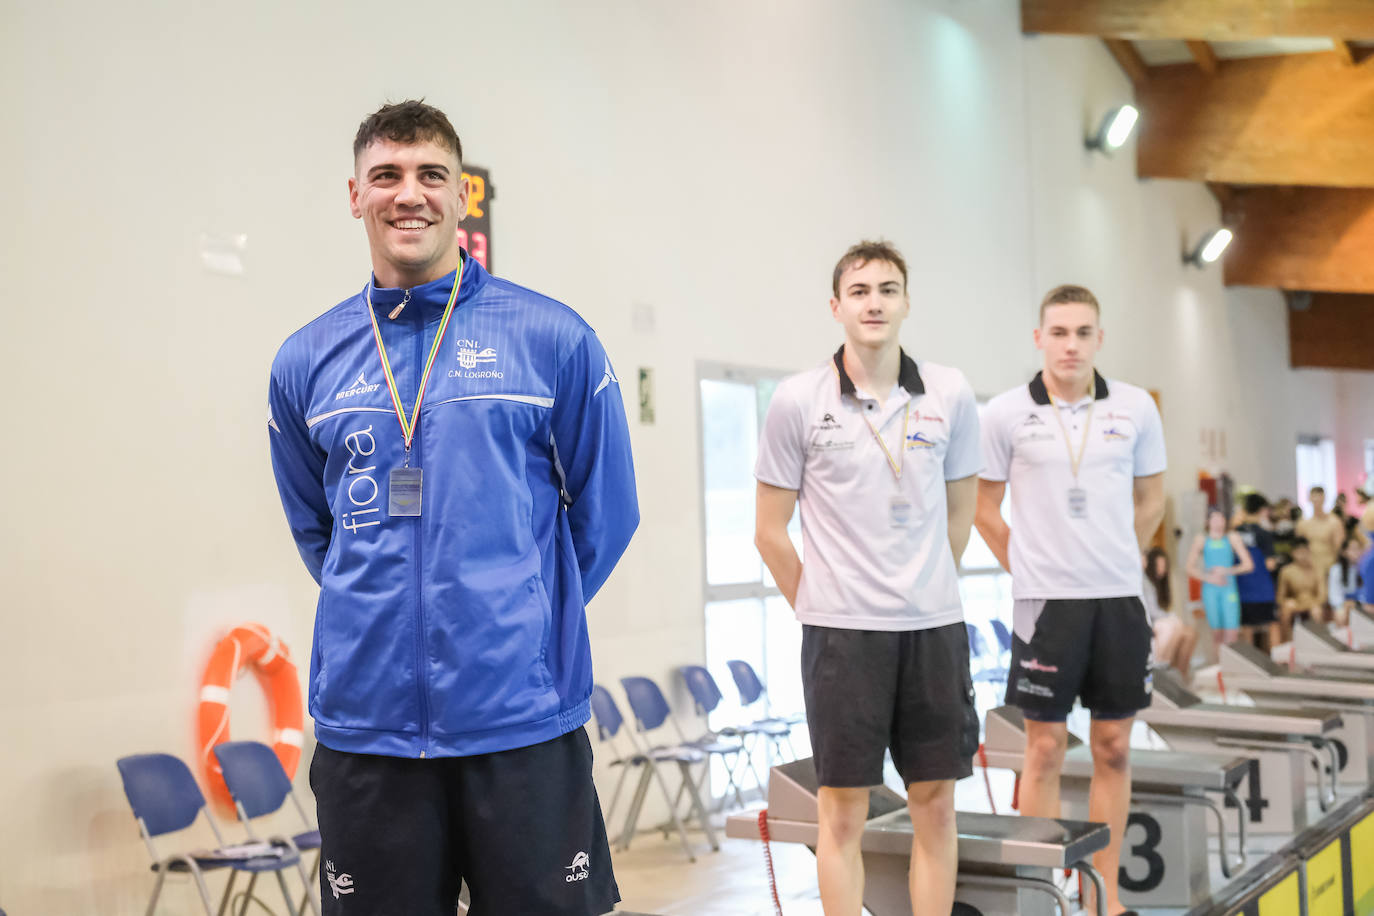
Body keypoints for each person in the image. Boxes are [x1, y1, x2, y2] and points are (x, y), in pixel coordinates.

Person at [267, 100, 638, 915]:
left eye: (432, 174)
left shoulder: (552, 339)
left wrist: (521, 617)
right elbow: (315, 528)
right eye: (387, 175)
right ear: (355, 195)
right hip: (368, 731)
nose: (411, 194)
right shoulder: (306, 361)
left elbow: (606, 516)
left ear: (463, 195)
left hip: (521, 726)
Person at [755, 240, 982, 916]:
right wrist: (823, 606)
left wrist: (921, 589)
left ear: (907, 302)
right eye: (859, 291)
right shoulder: (797, 399)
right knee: (843, 816)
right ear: (836, 307)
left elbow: (961, 518)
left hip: (933, 631)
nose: (874, 302)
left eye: (887, 289)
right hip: (842, 639)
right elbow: (769, 532)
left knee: (935, 809)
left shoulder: (950, 392)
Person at [975, 284, 1166, 916]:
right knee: (1046, 748)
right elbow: (982, 506)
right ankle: (1045, 894)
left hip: (1118, 601)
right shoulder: (1004, 413)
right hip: (1045, 605)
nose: (1071, 344)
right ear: (1039, 339)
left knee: (1113, 746)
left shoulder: (1135, 407)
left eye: (1083, 332)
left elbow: (1151, 501)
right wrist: (1027, 566)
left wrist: (1117, 559)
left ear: (1099, 339)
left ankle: (1102, 899)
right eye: (1059, 332)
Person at [1185, 507, 1254, 661]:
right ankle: (1220, 668)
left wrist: (1227, 571)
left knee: (1231, 632)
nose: (1218, 522)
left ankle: (1231, 666)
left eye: (1221, 518)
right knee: (1216, 633)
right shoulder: (1202, 539)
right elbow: (1189, 568)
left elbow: (1248, 564)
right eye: (1214, 519)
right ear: (1208, 521)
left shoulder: (1232, 537)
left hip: (1228, 588)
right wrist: (1208, 578)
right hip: (1210, 589)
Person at [1233, 493, 1280, 650]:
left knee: (1247, 627)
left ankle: (1249, 663)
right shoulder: (1264, 534)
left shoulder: (1235, 533)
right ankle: (1276, 660)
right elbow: (1270, 564)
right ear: (1262, 510)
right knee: (1272, 624)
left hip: (1241, 589)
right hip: (1262, 589)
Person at [1142, 547, 1197, 677]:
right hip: (1150, 622)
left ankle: (1180, 675)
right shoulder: (1143, 581)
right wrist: (1171, 617)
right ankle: (1166, 673)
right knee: (1176, 627)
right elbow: (1152, 611)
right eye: (1158, 565)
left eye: (1164, 566)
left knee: (1190, 634)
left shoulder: (1153, 584)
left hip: (1156, 620)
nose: (1161, 569)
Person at [1297, 486, 1344, 617]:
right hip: (1309, 569)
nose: (1316, 501)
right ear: (1309, 499)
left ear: (1324, 498)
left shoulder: (1334, 522)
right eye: (1314, 498)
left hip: (1328, 568)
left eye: (1319, 498)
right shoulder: (1304, 524)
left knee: (1331, 604)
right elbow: (1299, 548)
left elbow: (1338, 547)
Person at [1276, 538, 1326, 641]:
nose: (1302, 556)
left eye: (1305, 552)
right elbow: (1280, 597)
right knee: (1286, 609)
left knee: (1316, 611)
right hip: (1295, 603)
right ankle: (1287, 642)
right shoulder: (1286, 571)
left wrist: (1312, 603)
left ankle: (1317, 641)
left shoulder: (1318, 569)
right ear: (1293, 553)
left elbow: (1322, 595)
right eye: (1299, 552)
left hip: (1312, 603)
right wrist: (1289, 602)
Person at [1336, 535, 1366, 625]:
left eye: (1358, 549)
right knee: (1345, 609)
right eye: (1353, 549)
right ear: (1344, 552)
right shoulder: (1337, 570)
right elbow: (1335, 595)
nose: (1357, 552)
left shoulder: (1365, 567)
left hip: (1362, 602)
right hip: (1345, 604)